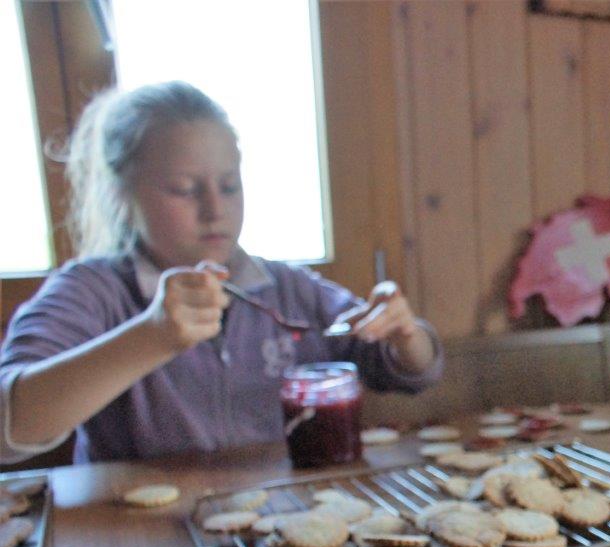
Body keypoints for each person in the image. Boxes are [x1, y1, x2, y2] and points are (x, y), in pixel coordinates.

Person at [0, 81, 443, 464]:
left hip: (273, 523)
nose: (215, 210)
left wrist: (406, 335)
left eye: (229, 186)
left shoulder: (285, 288)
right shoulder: (92, 292)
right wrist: (150, 336)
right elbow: (8, 426)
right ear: (121, 195)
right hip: (138, 537)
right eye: (185, 189)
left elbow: (408, 370)